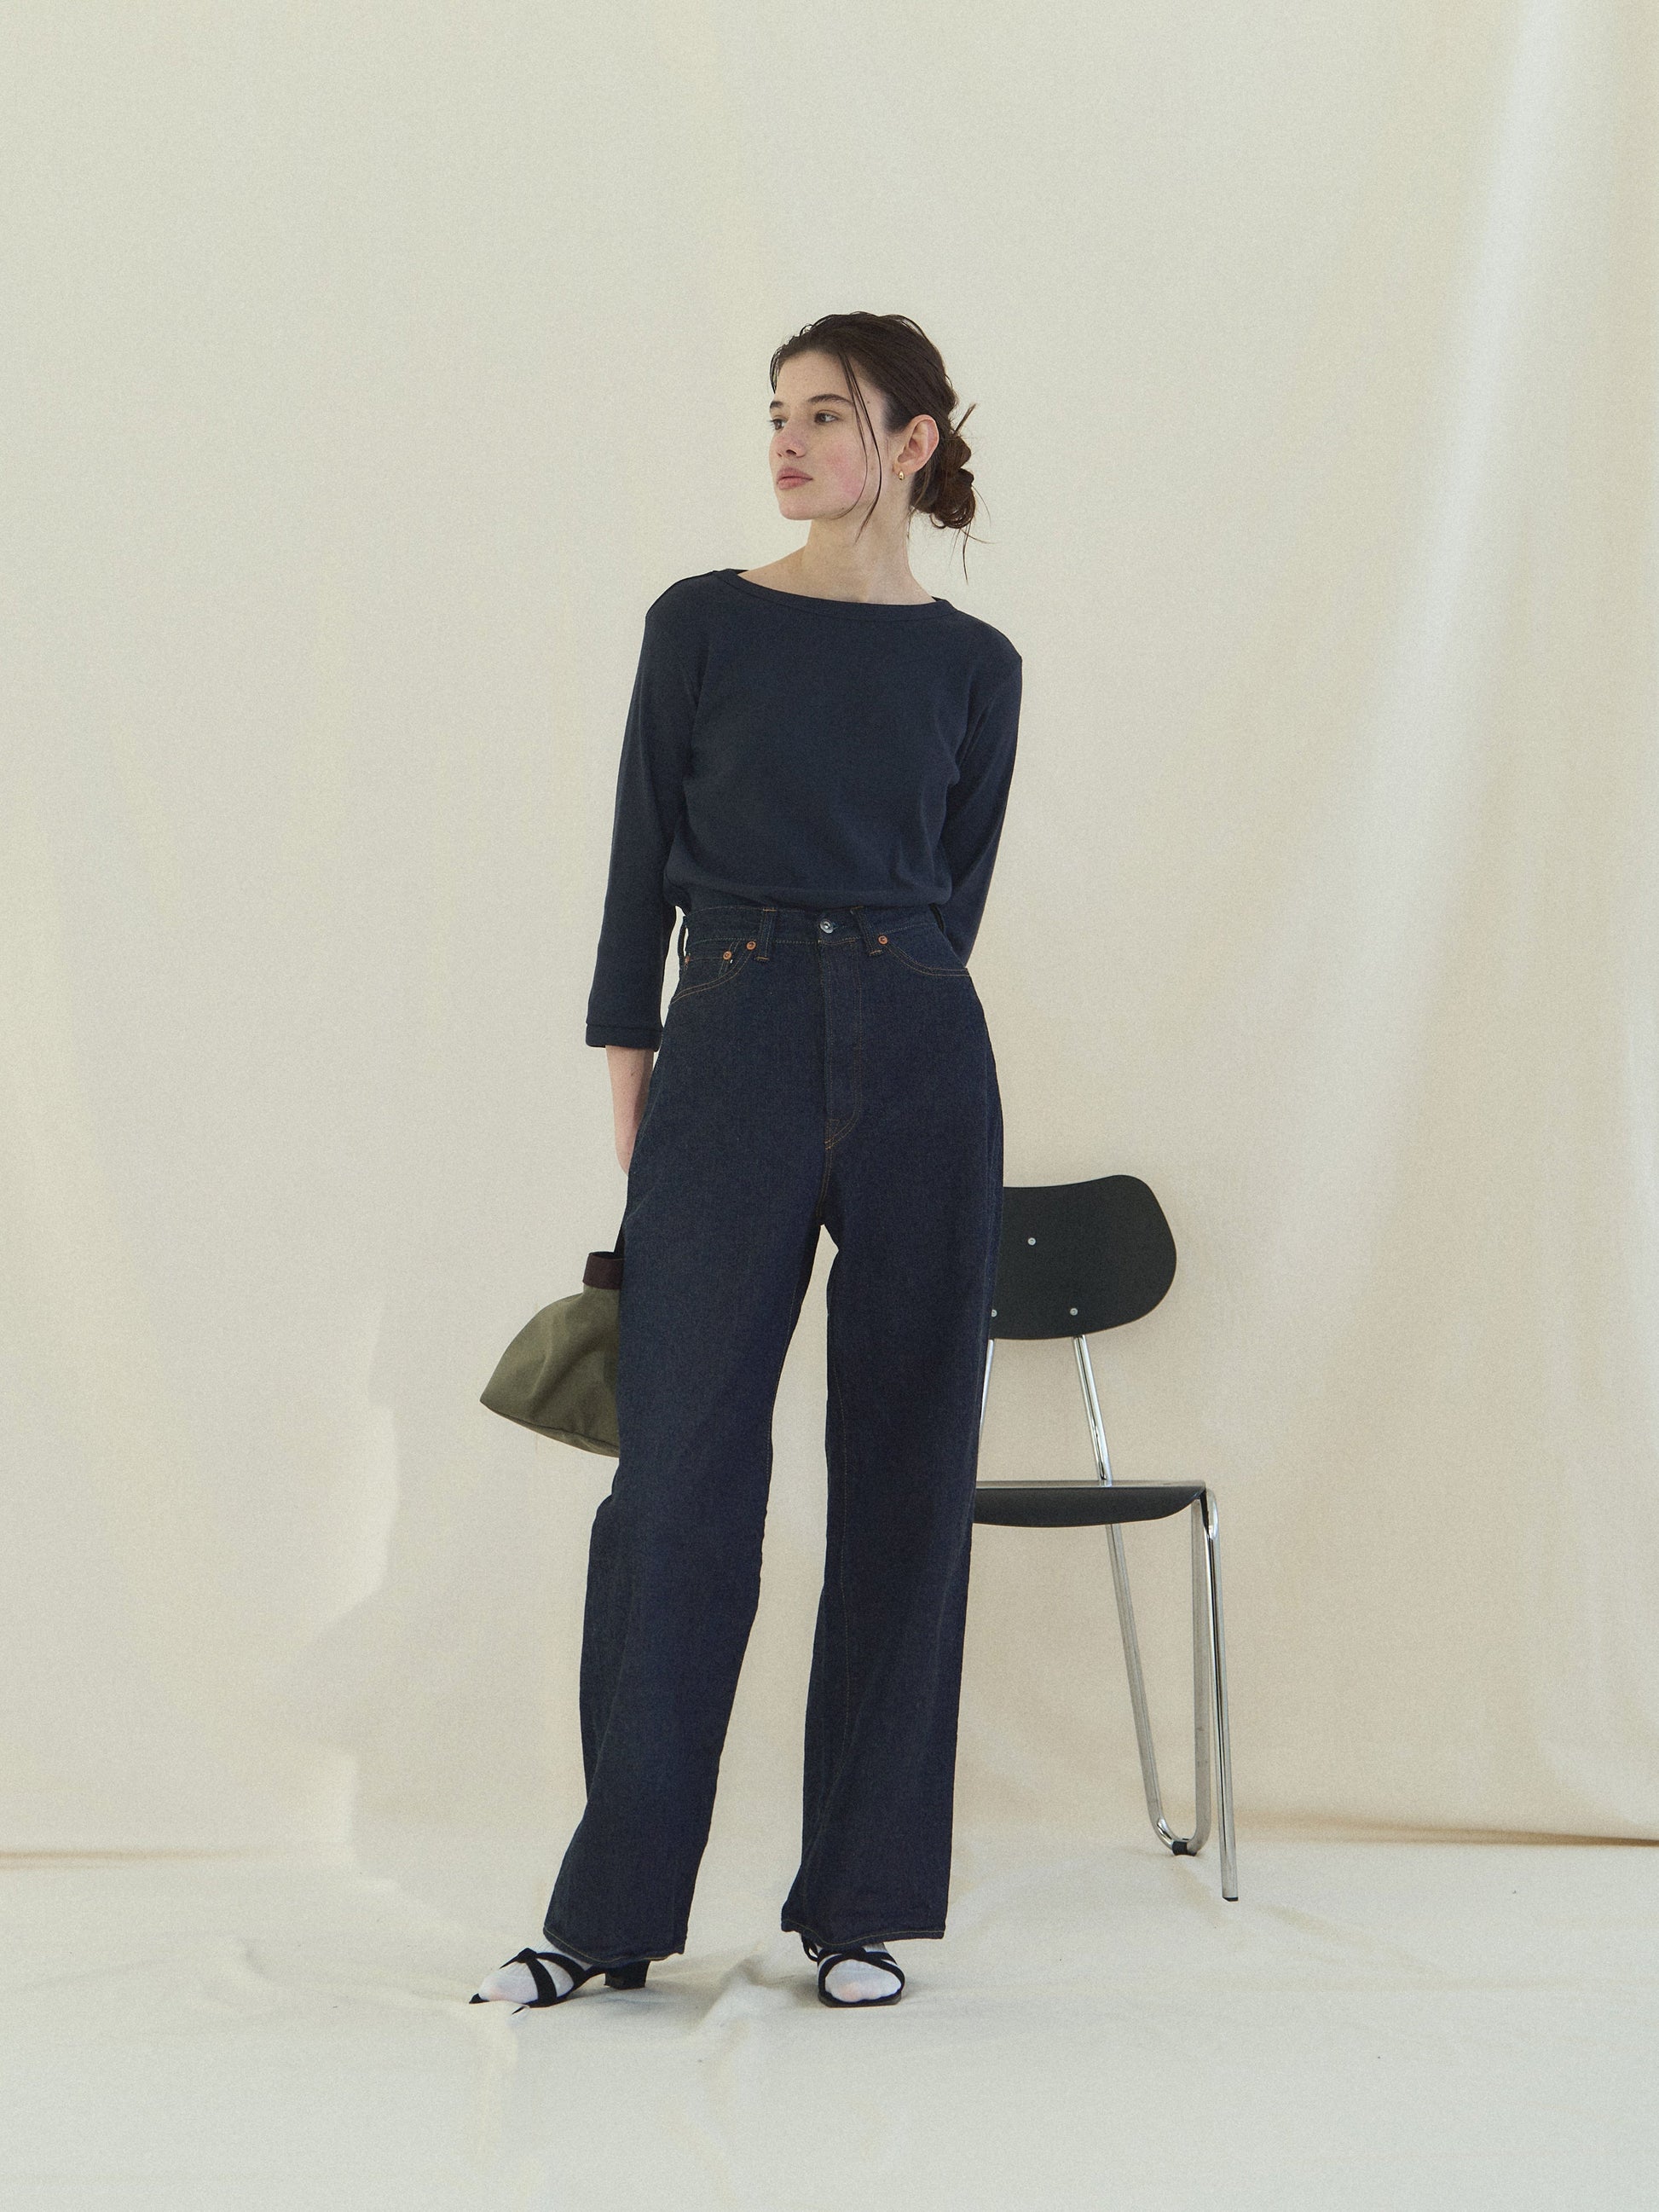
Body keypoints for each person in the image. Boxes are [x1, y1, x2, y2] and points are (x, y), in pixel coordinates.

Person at [472, 311, 1022, 2013]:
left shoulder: (976, 665)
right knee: (676, 1483)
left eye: (826, 415)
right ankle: (608, 1912)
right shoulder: (700, 621)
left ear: (910, 443)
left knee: (908, 1472)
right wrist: (637, 1084)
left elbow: (953, 888)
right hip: (728, 1038)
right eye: (776, 413)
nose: (785, 441)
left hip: (922, 1050)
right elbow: (636, 868)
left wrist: (882, 1009)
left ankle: (861, 1903)